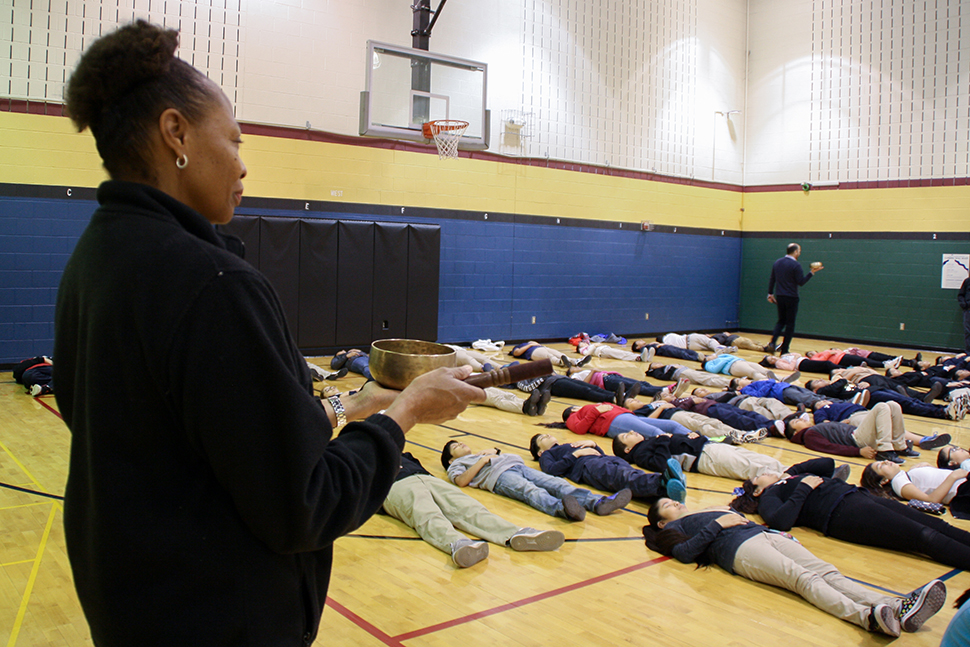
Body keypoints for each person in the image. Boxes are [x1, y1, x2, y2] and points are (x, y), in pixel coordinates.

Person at [54, 21, 485, 647]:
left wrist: (347, 408)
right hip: (216, 619)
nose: (242, 163)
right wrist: (405, 414)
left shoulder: (95, 258)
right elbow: (304, 506)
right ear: (176, 133)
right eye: (232, 140)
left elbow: (192, 437)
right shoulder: (214, 284)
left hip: (132, 604)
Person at [643, 498, 945, 636]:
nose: (676, 504)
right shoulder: (676, 528)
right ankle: (867, 618)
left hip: (763, 536)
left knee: (827, 572)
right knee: (804, 579)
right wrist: (718, 523)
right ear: (662, 523)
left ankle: (898, 607)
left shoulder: (704, 510)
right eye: (668, 505)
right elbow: (684, 553)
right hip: (739, 549)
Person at [729, 464, 970, 572]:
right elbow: (779, 521)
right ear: (757, 490)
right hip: (842, 513)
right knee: (924, 536)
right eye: (759, 477)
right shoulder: (770, 495)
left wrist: (792, 473)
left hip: (857, 496)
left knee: (935, 524)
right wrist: (803, 487)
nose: (765, 472)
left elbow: (826, 464)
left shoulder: (788, 479)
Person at [382, 453, 567, 568]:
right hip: (394, 485)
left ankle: (516, 533)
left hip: (427, 478)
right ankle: (457, 544)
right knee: (426, 514)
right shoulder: (366, 456)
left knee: (471, 509)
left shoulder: (403, 453)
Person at [440, 441, 631, 520]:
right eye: (455, 447)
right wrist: (482, 461)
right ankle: (563, 509)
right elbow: (461, 481)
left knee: (558, 484)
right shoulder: (457, 464)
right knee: (531, 491)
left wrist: (493, 452)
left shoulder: (482, 453)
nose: (461, 444)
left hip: (518, 466)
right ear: (450, 459)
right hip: (499, 476)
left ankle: (598, 502)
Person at [530, 433, 688, 502]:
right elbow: (551, 470)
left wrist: (594, 445)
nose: (548, 435)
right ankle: (662, 480)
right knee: (622, 477)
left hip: (603, 459)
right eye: (542, 438)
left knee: (630, 475)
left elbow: (598, 453)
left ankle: (664, 493)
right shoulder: (547, 454)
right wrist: (576, 454)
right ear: (540, 451)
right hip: (587, 466)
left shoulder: (566, 445)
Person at [612, 430, 791, 481]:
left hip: (707, 446)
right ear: (627, 449)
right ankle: (788, 480)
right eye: (627, 436)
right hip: (704, 457)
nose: (632, 432)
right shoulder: (640, 454)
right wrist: (664, 440)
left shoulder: (648, 442)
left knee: (759, 459)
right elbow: (660, 463)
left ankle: (791, 472)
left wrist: (692, 435)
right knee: (750, 467)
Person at [781, 401, 914, 463]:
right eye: (797, 422)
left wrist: (840, 424)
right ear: (795, 433)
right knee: (881, 407)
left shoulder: (815, 429)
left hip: (858, 434)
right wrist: (858, 452)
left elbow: (834, 435)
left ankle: (899, 446)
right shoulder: (809, 435)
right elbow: (830, 448)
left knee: (893, 405)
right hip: (856, 440)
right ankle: (885, 451)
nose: (802, 419)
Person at [766, 243, 822, 354]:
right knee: (790, 324)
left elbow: (772, 279)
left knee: (781, 321)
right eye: (799, 251)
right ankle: (784, 350)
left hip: (780, 296)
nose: (799, 253)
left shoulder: (777, 262)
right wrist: (811, 273)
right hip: (791, 297)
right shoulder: (796, 265)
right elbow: (801, 282)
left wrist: (770, 293)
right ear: (795, 252)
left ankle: (772, 343)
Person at [546, 402, 693, 439]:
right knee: (654, 432)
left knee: (671, 425)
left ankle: (697, 438)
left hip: (626, 417)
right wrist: (596, 411)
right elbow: (579, 429)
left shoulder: (587, 409)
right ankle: (683, 444)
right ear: (573, 409)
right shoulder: (572, 417)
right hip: (614, 422)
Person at [860, 460, 969, 506]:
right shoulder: (898, 483)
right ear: (884, 481)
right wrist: (953, 477)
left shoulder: (903, 476)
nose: (886, 461)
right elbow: (931, 500)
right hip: (962, 490)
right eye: (881, 466)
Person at [509, 340, 590, 368]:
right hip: (533, 352)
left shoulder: (530, 343)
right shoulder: (517, 347)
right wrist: (530, 345)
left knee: (559, 354)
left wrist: (533, 343)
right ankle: (560, 362)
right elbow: (517, 353)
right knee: (548, 356)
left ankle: (576, 361)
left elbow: (536, 343)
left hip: (543, 347)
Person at [960, 275, 970, 354]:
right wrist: (964, 304)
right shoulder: (967, 281)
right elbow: (961, 295)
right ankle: (968, 352)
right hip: (968, 310)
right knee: (968, 332)